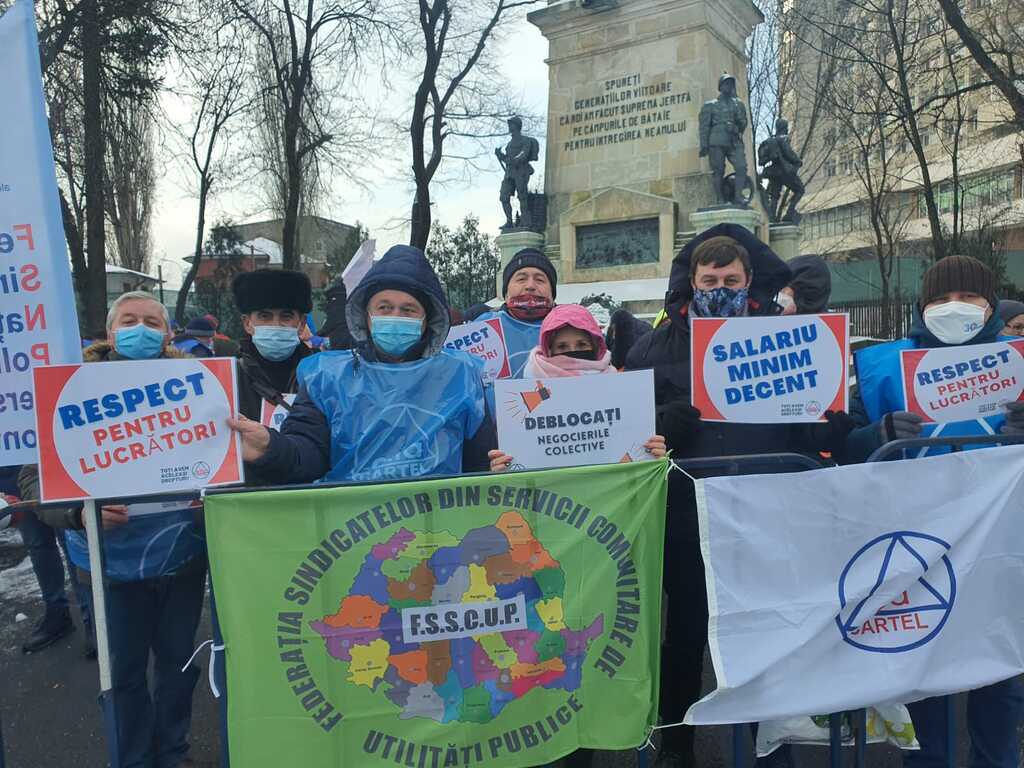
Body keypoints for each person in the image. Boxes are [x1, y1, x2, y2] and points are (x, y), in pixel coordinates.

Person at [624, 224, 851, 768]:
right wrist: (663, 422)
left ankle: (766, 743)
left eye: (730, 280)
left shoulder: (789, 338)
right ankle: (676, 744)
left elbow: (807, 423)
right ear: (692, 282)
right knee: (684, 636)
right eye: (710, 280)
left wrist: (830, 425)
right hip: (687, 514)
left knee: (762, 630)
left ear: (749, 281)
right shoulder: (653, 347)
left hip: (763, 513)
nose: (719, 288)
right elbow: (627, 428)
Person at [843, 255, 1024, 768]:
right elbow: (844, 446)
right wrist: (876, 435)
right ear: (922, 306)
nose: (953, 307)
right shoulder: (882, 367)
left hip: (1002, 542)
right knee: (924, 668)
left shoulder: (1018, 363)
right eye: (941, 299)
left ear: (990, 305)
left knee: (999, 672)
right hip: (919, 544)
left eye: (968, 297)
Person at [21, 291, 207, 768]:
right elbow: (34, 478)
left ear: (168, 334)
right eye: (129, 320)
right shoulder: (71, 389)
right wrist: (79, 514)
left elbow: (223, 459)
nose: (140, 329)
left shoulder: (198, 387)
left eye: (152, 321)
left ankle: (173, 753)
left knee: (178, 665)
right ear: (109, 332)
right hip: (106, 566)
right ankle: (133, 759)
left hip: (182, 558)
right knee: (121, 675)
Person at [228, 245, 495, 483]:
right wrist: (272, 448)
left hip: (438, 516)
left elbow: (480, 459)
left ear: (428, 319)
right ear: (366, 315)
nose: (395, 316)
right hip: (355, 519)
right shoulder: (328, 377)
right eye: (384, 307)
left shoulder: (460, 374)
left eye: (408, 310)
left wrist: (494, 469)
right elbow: (309, 451)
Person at [487, 304, 666, 475]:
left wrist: (652, 453)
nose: (572, 353)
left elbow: (634, 452)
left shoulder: (622, 390)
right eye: (562, 347)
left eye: (581, 345)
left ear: (595, 346)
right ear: (549, 350)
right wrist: (502, 467)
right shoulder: (525, 391)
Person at [474, 248, 557, 412]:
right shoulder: (481, 329)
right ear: (506, 293)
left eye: (540, 280)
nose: (530, 286)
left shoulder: (573, 328)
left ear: (553, 294)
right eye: (521, 279)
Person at [232, 269, 316, 422]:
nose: (276, 325)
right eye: (265, 316)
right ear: (247, 323)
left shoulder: (320, 374)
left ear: (302, 324)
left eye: (286, 316)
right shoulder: (231, 378)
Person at [698, 73, 749, 205]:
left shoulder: (738, 104)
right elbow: (704, 127)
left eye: (731, 83)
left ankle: (738, 196)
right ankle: (720, 199)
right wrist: (704, 145)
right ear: (720, 86)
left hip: (734, 141)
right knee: (718, 171)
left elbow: (743, 122)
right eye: (726, 83)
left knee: (741, 167)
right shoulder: (710, 105)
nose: (729, 86)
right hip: (717, 141)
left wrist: (737, 127)